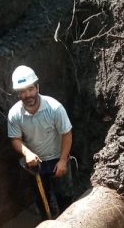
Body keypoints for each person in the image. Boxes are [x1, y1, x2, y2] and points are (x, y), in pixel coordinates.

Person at [7, 65, 75, 219]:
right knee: (42, 200)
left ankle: (69, 225)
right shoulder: (15, 114)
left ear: (37, 87)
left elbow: (67, 134)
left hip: (58, 159)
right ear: (18, 94)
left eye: (30, 89)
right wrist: (27, 153)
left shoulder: (55, 108)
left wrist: (63, 160)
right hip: (35, 164)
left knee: (65, 198)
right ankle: (48, 225)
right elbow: (15, 139)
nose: (27, 94)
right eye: (22, 91)